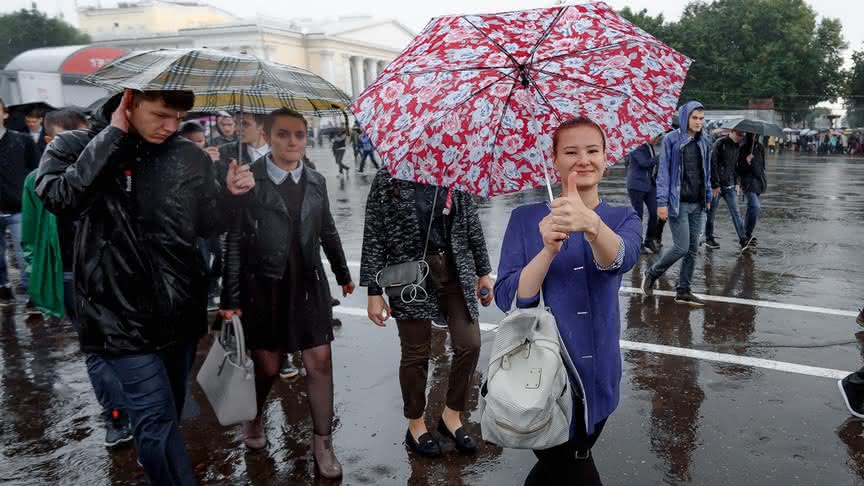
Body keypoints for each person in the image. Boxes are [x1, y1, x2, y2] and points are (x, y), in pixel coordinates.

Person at [37, 89, 254, 485]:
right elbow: (59, 197)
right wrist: (113, 137)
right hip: (115, 311)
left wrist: (232, 197)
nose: (172, 126)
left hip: (180, 309)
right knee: (152, 416)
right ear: (129, 104)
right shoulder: (76, 145)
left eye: (178, 117)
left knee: (166, 412)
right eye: (161, 115)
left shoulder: (186, 155)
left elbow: (207, 225)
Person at [494, 117, 641, 485]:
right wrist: (545, 251)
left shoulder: (622, 216)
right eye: (571, 152)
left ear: (607, 158)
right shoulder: (526, 219)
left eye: (593, 150)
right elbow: (509, 298)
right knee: (571, 462)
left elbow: (621, 259)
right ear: (554, 159)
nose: (583, 160)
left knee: (567, 462)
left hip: (600, 374)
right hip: (541, 374)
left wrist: (590, 225)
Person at [219, 108, 353, 479]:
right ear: (268, 135)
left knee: (320, 361)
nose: (292, 142)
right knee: (268, 366)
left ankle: (322, 443)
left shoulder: (315, 179)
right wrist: (229, 299)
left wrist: (342, 272)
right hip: (265, 286)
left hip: (308, 285)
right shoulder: (250, 179)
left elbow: (327, 229)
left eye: (299, 134)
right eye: (283, 134)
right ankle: (254, 418)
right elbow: (233, 241)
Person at [360, 169, 493, 459]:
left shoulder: (455, 172)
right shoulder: (389, 178)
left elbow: (471, 224)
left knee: (470, 344)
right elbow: (374, 232)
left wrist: (484, 272)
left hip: (455, 270)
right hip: (409, 275)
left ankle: (452, 416)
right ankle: (416, 423)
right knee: (416, 353)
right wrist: (373, 290)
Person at [22, 108, 134, 447]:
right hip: (87, 272)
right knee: (112, 348)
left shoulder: (41, 178)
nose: (47, 145)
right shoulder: (110, 167)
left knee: (101, 350)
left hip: (87, 272)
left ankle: (120, 416)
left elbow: (29, 238)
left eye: (50, 139)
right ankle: (122, 413)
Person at [641, 101, 712, 307]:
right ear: (685, 118)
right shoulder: (671, 140)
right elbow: (663, 173)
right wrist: (661, 203)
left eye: (701, 118)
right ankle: (652, 272)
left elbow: (705, 173)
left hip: (697, 203)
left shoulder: (704, 141)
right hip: (677, 202)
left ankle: (683, 290)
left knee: (692, 249)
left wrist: (708, 196)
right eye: (694, 118)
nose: (698, 122)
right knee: (681, 247)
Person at [180, 120, 224, 309]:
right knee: (201, 259)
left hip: (213, 218)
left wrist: (211, 166)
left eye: (201, 141)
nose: (199, 145)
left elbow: (220, 187)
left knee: (222, 254)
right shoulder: (178, 161)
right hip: (191, 223)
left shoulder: (213, 157)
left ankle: (213, 282)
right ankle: (205, 293)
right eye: (193, 142)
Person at [0, 97, 39, 306]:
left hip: (19, 208)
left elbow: (37, 170)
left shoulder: (22, 140)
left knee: (25, 253)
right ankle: (3, 287)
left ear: (5, 114)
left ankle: (32, 293)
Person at [705, 129, 747, 250]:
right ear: (732, 132)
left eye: (742, 135)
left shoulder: (737, 146)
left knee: (736, 213)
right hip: (717, 186)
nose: (741, 137)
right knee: (711, 213)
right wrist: (715, 184)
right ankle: (709, 237)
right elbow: (713, 164)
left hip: (730, 185)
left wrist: (737, 182)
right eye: (739, 134)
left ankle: (743, 239)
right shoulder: (719, 143)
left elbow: (736, 166)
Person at [625, 135, 662, 254]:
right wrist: (661, 157)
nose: (657, 140)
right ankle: (637, 243)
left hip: (650, 184)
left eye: (659, 138)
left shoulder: (650, 147)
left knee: (655, 211)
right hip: (636, 185)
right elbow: (644, 163)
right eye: (656, 137)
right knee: (638, 215)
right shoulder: (636, 146)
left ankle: (649, 239)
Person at [736, 133, 767, 251]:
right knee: (755, 206)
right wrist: (746, 161)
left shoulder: (759, 147)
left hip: (759, 182)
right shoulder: (743, 147)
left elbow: (762, 165)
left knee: (751, 209)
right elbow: (738, 168)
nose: (754, 136)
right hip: (748, 182)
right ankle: (746, 234)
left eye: (756, 134)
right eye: (752, 134)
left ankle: (746, 234)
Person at [218, 112, 270, 178]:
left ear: (262, 125)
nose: (236, 129)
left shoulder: (280, 153)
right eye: (236, 123)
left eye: (244, 124)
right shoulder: (224, 152)